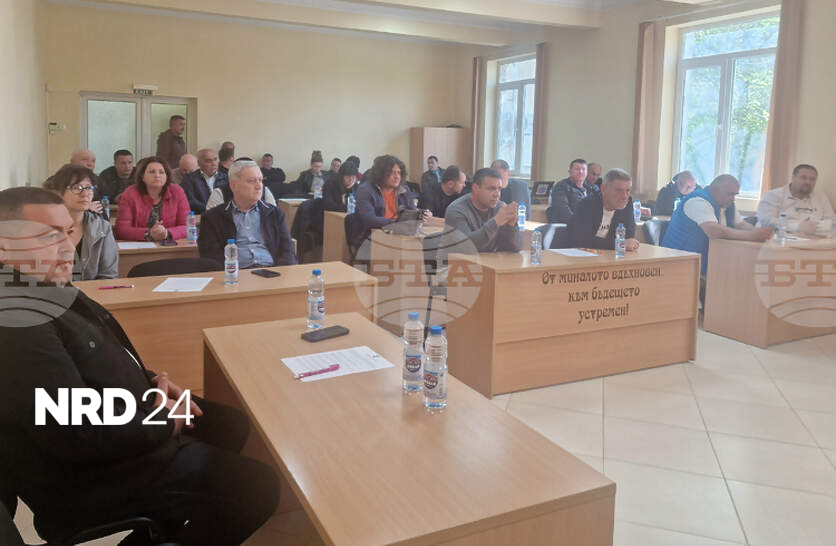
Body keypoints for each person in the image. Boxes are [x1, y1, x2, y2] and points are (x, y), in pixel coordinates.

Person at [0, 186, 279, 546]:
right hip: (88, 477)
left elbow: (101, 356)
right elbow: (75, 430)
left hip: (126, 417)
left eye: (67, 232)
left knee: (228, 424)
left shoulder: (44, 284)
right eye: (48, 237)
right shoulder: (18, 321)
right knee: (258, 486)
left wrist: (152, 383)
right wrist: (163, 420)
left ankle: (167, 522)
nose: (68, 249)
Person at [663, 174, 773, 275]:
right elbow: (713, 231)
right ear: (715, 189)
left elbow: (740, 224)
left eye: (735, 195)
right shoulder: (698, 201)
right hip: (679, 266)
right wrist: (752, 236)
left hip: (703, 264)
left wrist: (761, 232)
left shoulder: (727, 204)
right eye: (730, 194)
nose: (733, 199)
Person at [199, 160, 297, 268]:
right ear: (233, 185)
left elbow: (288, 250)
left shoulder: (275, 214)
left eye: (260, 180)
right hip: (234, 274)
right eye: (252, 181)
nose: (259, 186)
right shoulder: (212, 217)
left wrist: (282, 273)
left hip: (271, 271)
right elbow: (211, 257)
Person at [44, 164, 118, 280]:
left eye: (88, 188)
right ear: (59, 193)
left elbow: (108, 276)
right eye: (76, 188)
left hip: (90, 291)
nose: (84, 194)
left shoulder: (102, 228)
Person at [440, 168, 521, 262]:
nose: (497, 194)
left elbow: (516, 248)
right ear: (475, 188)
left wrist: (511, 227)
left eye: (499, 189)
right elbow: (466, 246)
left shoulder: (500, 207)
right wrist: (495, 222)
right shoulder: (456, 210)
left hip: (488, 264)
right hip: (456, 266)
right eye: (491, 189)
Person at [350, 154, 429, 248]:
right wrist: (397, 223)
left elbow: (411, 212)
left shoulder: (404, 189)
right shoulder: (365, 190)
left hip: (399, 235)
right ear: (381, 173)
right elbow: (369, 220)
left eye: (399, 172)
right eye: (392, 173)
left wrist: (420, 215)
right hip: (371, 238)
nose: (397, 176)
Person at [115, 156, 190, 241]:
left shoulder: (177, 192)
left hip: (169, 245)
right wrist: (149, 233)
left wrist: (166, 233)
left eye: (161, 172)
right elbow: (122, 230)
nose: (157, 175)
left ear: (167, 176)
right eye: (152, 172)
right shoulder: (130, 193)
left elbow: (188, 226)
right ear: (142, 176)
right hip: (140, 245)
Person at [566, 168, 640, 251]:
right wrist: (618, 244)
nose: (624, 196)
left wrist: (620, 243)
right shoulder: (588, 204)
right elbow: (582, 240)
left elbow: (629, 236)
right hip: (576, 254)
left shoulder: (627, 203)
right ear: (603, 189)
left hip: (607, 255)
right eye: (619, 191)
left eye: (628, 191)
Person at [757, 164, 833, 235]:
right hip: (776, 239)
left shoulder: (821, 198)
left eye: (812, 179)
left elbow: (831, 223)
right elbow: (766, 221)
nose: (808, 182)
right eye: (803, 178)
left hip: (812, 240)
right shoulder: (773, 195)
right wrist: (797, 227)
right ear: (793, 178)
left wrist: (812, 227)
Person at [546, 158, 600, 223]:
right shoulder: (562, 186)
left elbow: (600, 208)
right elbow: (563, 211)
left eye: (583, 169)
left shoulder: (593, 188)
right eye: (577, 169)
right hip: (569, 225)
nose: (581, 172)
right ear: (570, 172)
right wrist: (580, 224)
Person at [180, 148, 229, 213]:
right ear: (199, 163)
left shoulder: (226, 178)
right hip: (200, 215)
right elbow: (189, 200)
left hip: (223, 214)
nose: (213, 163)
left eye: (215, 159)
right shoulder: (189, 179)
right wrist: (208, 209)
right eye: (208, 161)